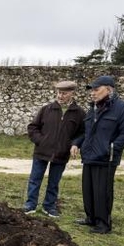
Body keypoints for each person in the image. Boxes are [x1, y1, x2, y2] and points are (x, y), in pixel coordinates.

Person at [70, 75, 124, 234]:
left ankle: (103, 224)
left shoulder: (123, 108)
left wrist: (111, 148)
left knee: (102, 191)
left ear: (109, 89)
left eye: (96, 89)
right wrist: (76, 143)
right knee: (88, 190)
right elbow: (87, 132)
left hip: (106, 158)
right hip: (89, 156)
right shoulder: (92, 108)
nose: (92, 93)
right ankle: (91, 218)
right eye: (91, 90)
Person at [23, 80, 86, 217]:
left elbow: (82, 133)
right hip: (42, 151)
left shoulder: (79, 113)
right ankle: (30, 204)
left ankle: (49, 206)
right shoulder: (46, 109)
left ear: (72, 93)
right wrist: (41, 141)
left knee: (54, 182)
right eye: (58, 92)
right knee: (35, 179)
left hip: (62, 153)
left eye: (64, 93)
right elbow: (33, 127)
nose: (60, 96)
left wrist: (75, 144)